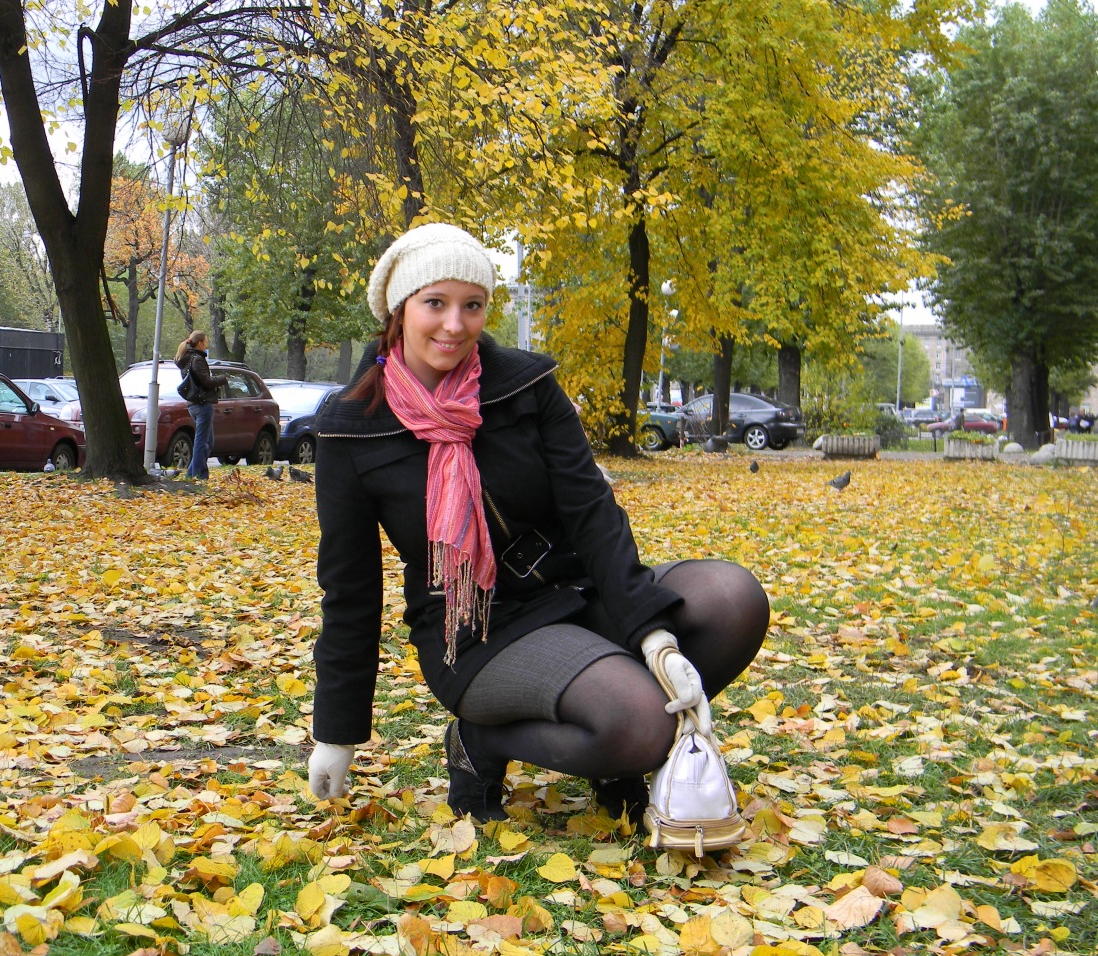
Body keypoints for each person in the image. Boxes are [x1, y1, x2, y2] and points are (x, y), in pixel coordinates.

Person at [306, 223, 768, 825]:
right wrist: (337, 732)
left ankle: (612, 751)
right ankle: (481, 740)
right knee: (637, 722)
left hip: (576, 591)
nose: (455, 325)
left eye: (473, 305)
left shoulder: (525, 386)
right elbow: (350, 590)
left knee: (733, 600)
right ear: (399, 310)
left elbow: (592, 511)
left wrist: (653, 635)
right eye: (435, 303)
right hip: (476, 630)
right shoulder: (351, 428)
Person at [174, 331, 227, 480]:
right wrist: (222, 379)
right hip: (202, 403)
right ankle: (199, 475)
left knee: (208, 441)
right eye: (205, 342)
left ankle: (191, 473)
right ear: (199, 343)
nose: (206, 345)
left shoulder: (187, 358)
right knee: (202, 442)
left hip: (194, 403)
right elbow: (206, 381)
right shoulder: (197, 359)